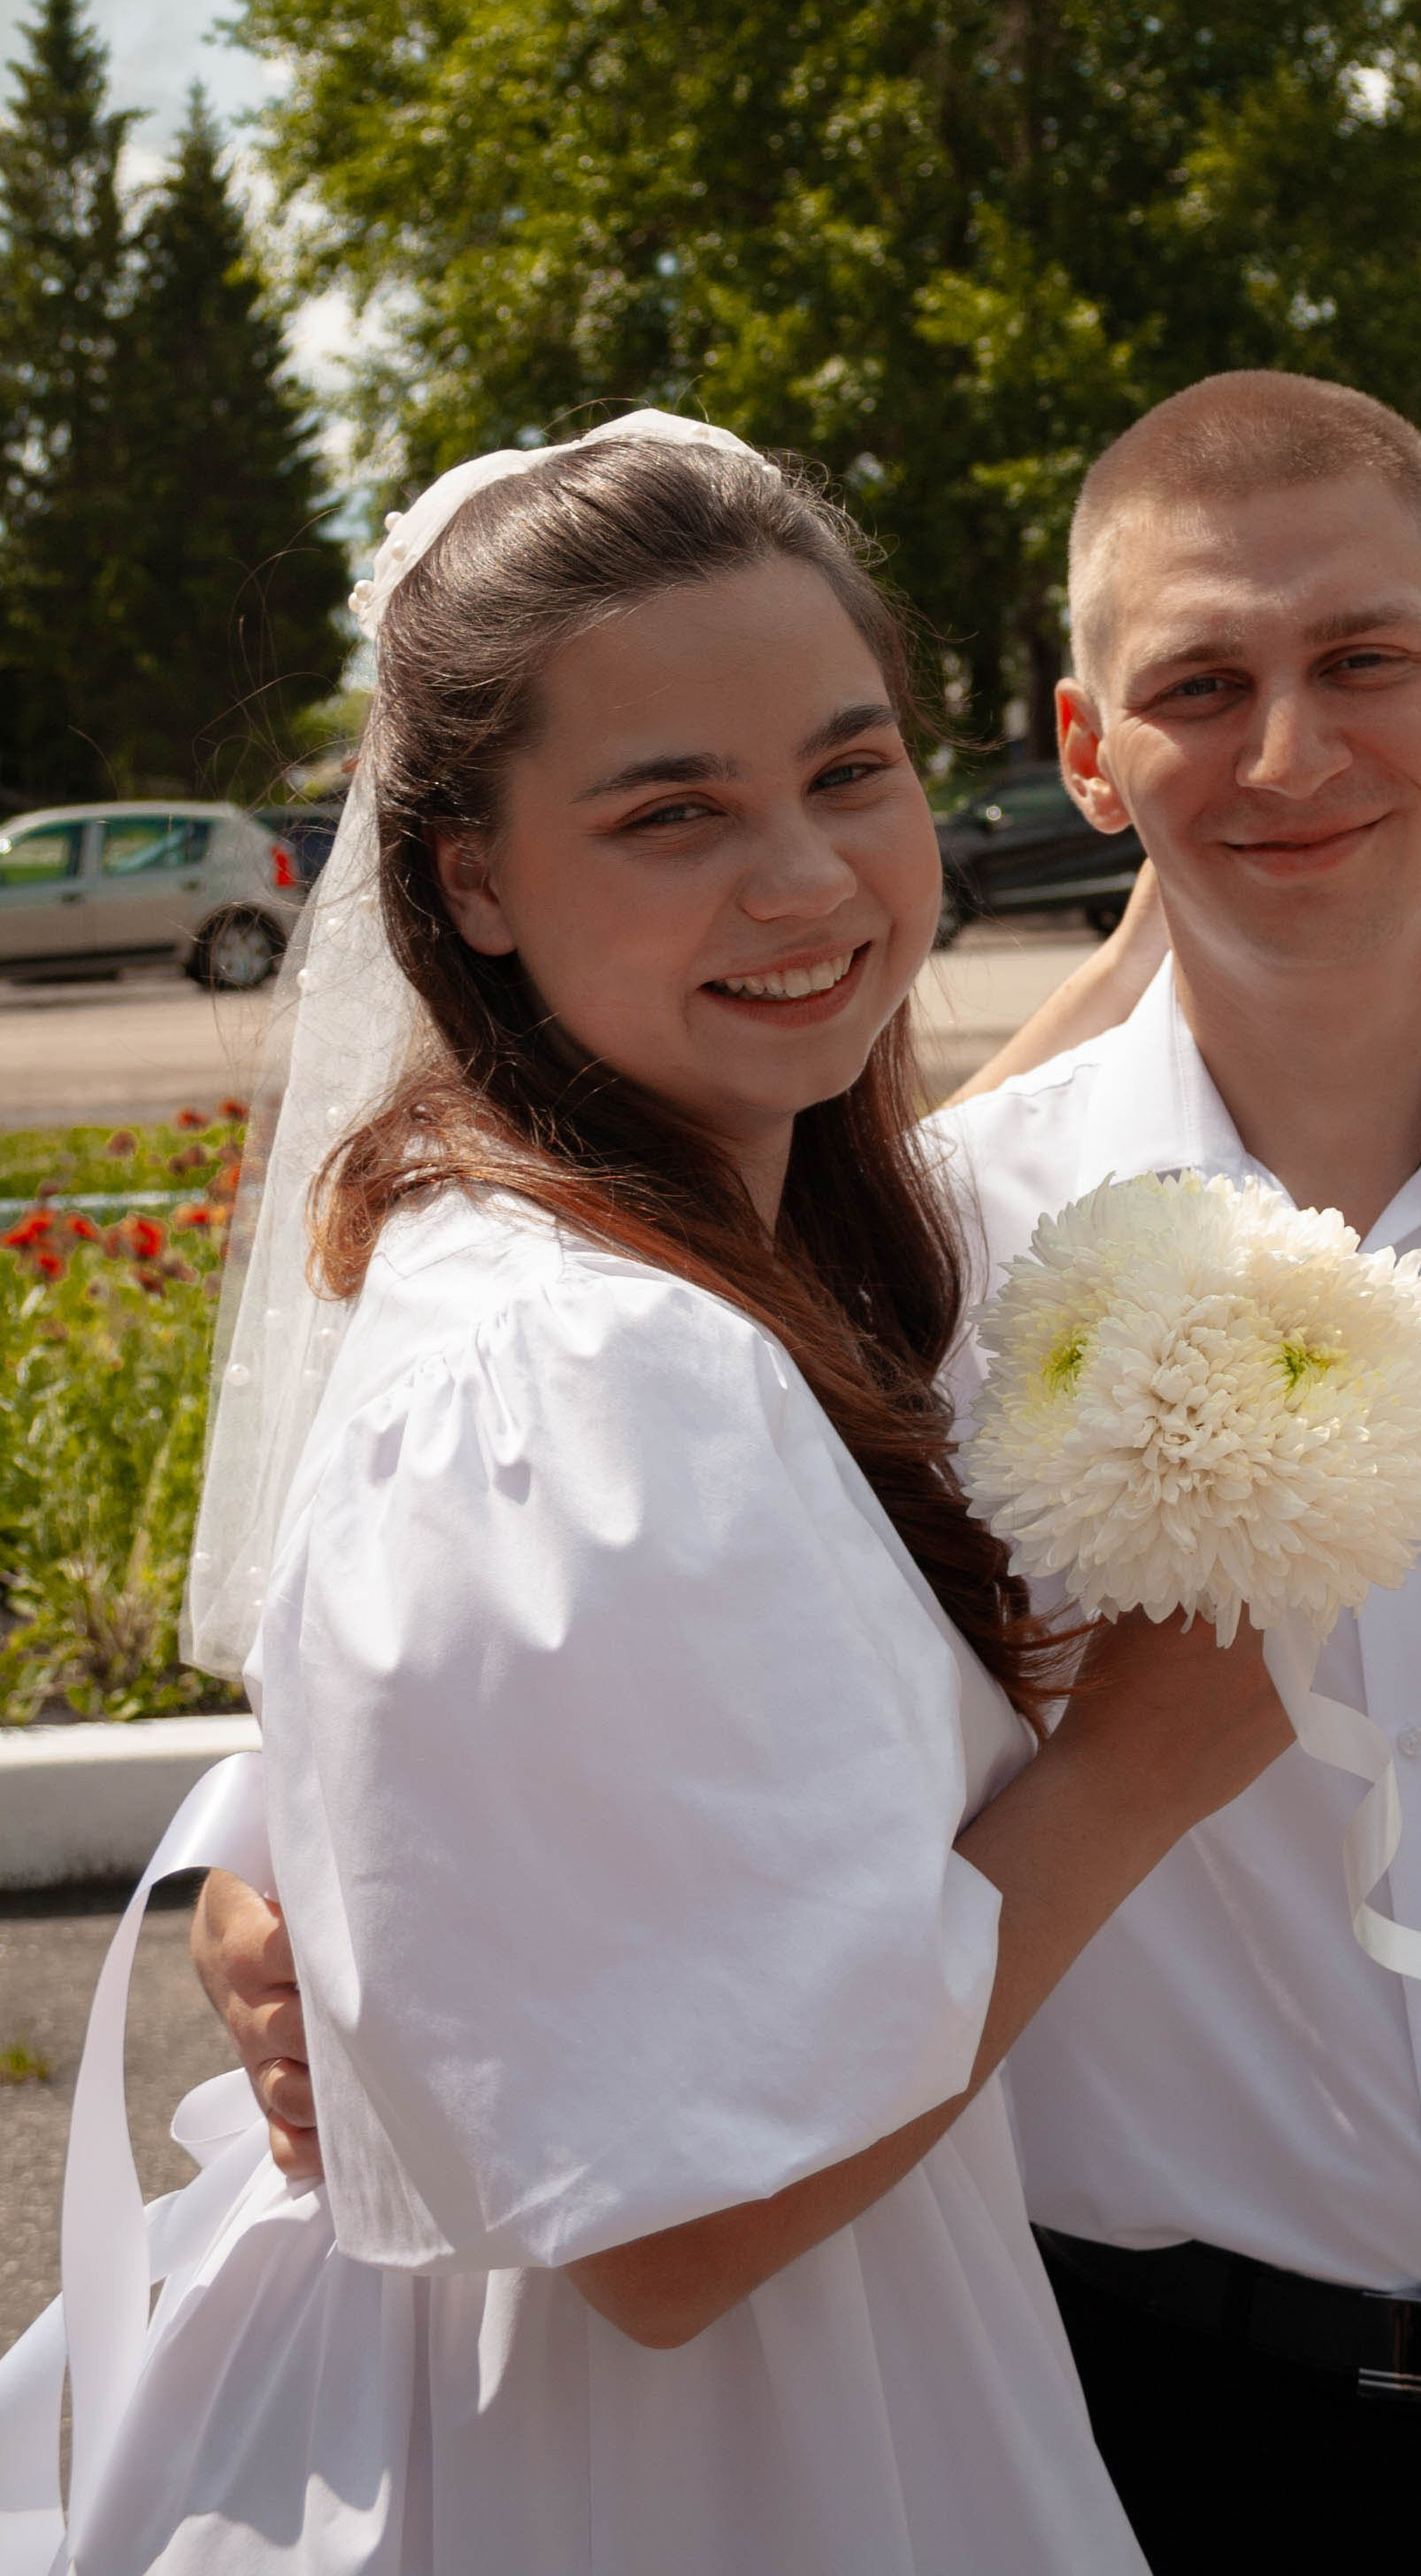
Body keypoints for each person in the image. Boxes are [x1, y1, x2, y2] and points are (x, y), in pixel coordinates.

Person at [201, 374, 1421, 2576]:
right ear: (1089, 754)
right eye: (1198, 684)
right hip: (1145, 2426)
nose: (1289, 751)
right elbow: (566, 1648)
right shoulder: (927, 1252)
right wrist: (286, 1885)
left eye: (1362, 660)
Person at [35, 417, 1286, 2576]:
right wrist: (1137, 1771)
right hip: (680, 2443)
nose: (800, 875)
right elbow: (679, 2240)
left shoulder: (726, 1245)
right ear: (470, 880)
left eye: (846, 770)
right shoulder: (591, 1369)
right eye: (670, 811)